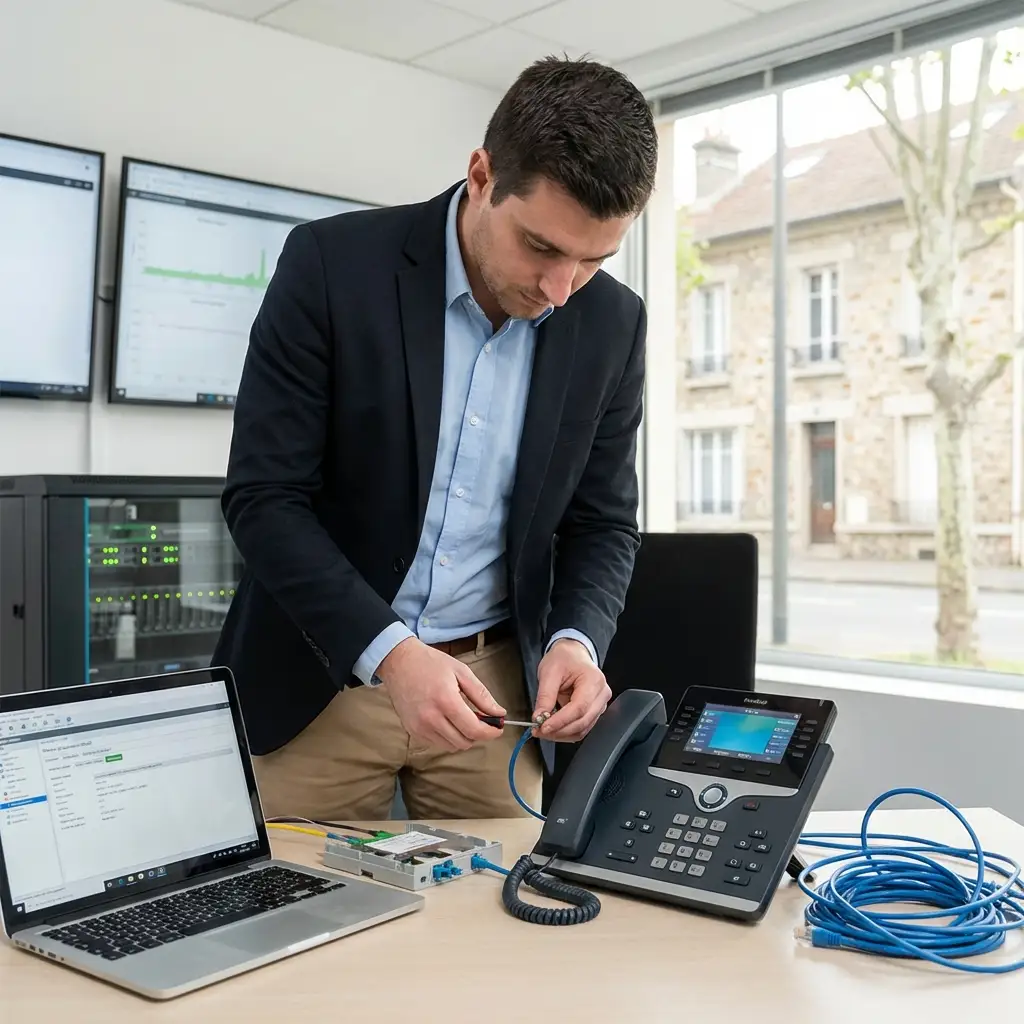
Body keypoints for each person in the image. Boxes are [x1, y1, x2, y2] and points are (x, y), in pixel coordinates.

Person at [212, 55, 657, 822]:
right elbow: (264, 499)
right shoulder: (330, 266)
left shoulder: (614, 323)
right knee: (282, 917)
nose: (562, 291)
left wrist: (577, 642)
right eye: (543, 248)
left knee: (496, 927)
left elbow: (603, 522)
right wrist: (389, 651)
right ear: (482, 175)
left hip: (494, 697)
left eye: (593, 260)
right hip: (321, 681)